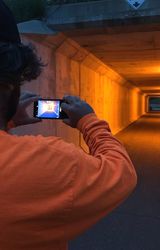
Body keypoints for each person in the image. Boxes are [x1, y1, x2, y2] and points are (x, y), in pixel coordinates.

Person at [0, 1, 137, 249]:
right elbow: (122, 173)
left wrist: (7, 121)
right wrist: (89, 121)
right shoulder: (51, 162)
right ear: (11, 84)